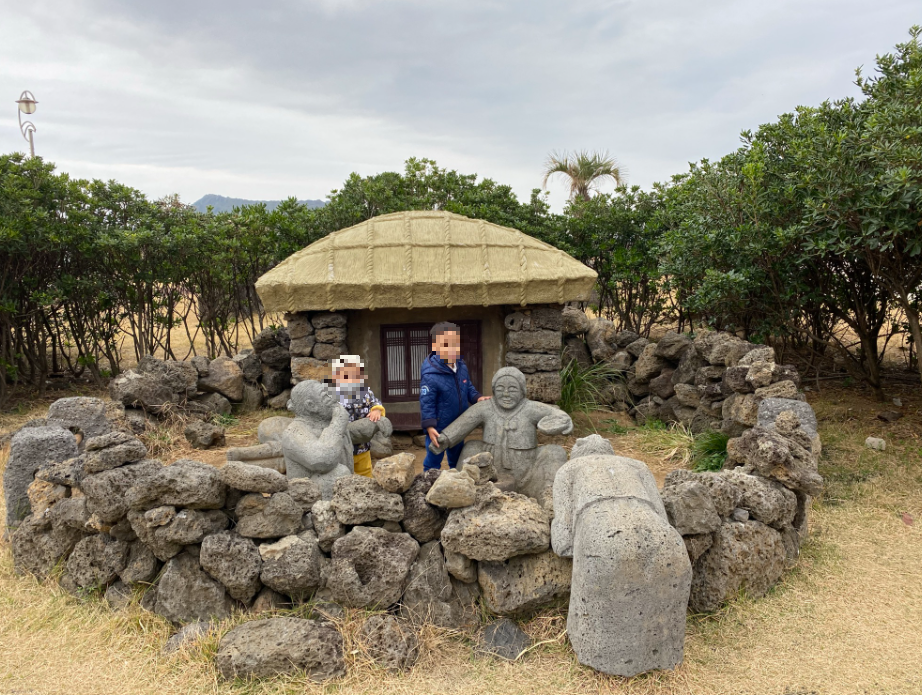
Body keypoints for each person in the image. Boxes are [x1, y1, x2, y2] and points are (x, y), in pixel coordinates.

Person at [420, 321, 489, 471]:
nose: (451, 349)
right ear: (434, 347)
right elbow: (427, 403)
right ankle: (428, 481)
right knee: (434, 458)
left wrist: (477, 397)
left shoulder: (461, 366)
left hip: (459, 424)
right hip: (439, 428)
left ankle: (456, 480)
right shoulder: (430, 375)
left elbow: (467, 386)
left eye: (455, 344)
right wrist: (430, 426)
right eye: (445, 345)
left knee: (457, 458)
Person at [332, 355, 385, 478]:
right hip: (341, 448)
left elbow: (375, 402)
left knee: (365, 472)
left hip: (363, 446)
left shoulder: (366, 393)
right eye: (345, 376)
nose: (350, 380)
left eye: (355, 376)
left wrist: (377, 410)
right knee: (343, 475)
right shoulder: (332, 396)